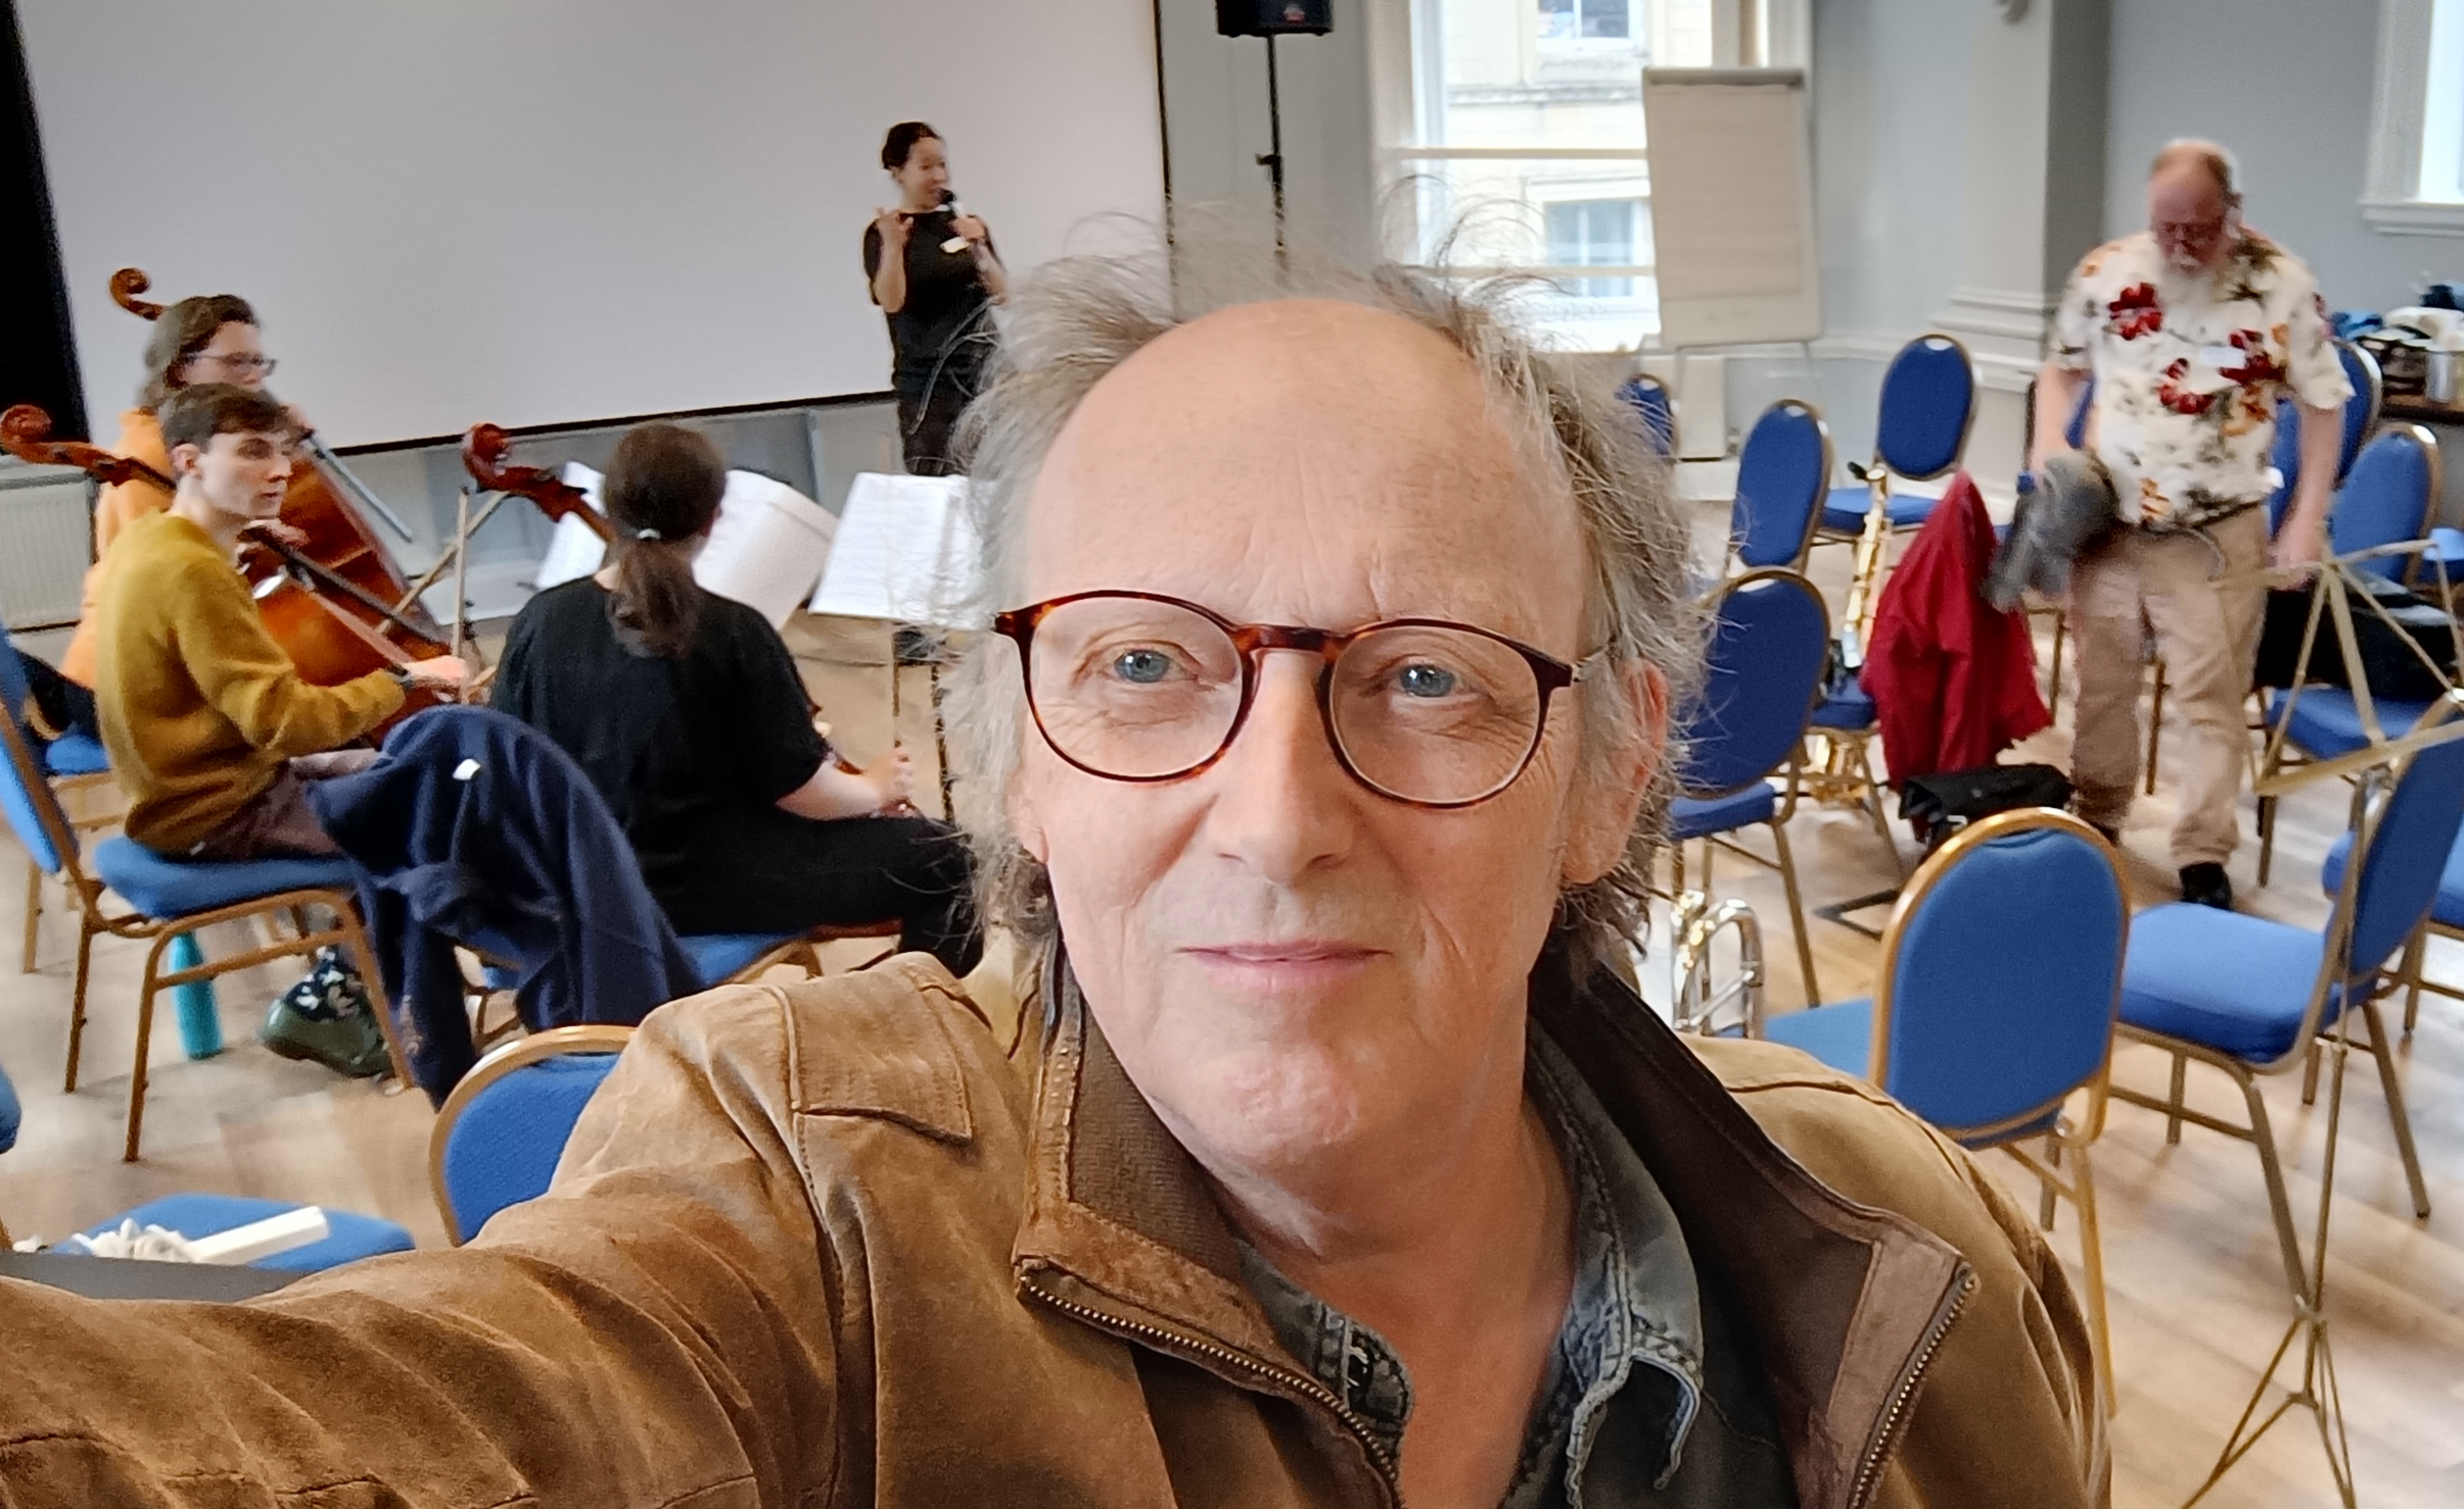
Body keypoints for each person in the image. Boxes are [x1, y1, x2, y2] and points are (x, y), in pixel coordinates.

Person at [0, 243, 2103, 1505]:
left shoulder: (1909, 1256)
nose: (1277, 816)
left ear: (1613, 773)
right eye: (1143, 664)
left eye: (1432, 679)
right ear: (1012, 770)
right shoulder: (812, 1227)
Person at [490, 422, 982, 976]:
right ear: (714, 518)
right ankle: (914, 1031)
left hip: (580, 881)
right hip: (698, 888)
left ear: (612, 507)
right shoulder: (731, 628)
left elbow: (511, 757)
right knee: (950, 858)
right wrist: (873, 786)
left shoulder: (540, 620)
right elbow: (799, 791)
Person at [92, 382, 470, 1072]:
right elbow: (286, 722)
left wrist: (240, 537)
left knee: (412, 780)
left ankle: (360, 986)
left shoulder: (152, 537)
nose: (278, 472)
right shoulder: (193, 572)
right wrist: (405, 681)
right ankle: (371, 1012)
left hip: (200, 791)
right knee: (431, 821)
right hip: (221, 810)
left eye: (284, 454)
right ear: (191, 460)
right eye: (252, 454)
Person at [2030, 137, 2350, 910]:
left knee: (2212, 700)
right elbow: (2062, 366)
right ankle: (2098, 816)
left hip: (2217, 527)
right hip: (2110, 520)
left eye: (2198, 229)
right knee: (2102, 685)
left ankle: (2204, 853)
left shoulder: (2282, 285)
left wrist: (2306, 518)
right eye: (2165, 227)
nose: (2179, 244)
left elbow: (2324, 404)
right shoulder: (2109, 270)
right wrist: (2049, 438)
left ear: (2232, 212)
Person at [25, 293, 281, 733]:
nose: (255, 378)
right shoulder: (145, 459)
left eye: (260, 363)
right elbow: (153, 585)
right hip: (124, 687)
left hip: (175, 669)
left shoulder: (206, 444)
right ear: (182, 369)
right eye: (237, 363)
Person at [865, 120, 1007, 475]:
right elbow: (892, 301)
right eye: (926, 166)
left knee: (1000, 486)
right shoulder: (886, 233)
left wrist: (980, 248)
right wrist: (895, 247)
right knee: (939, 493)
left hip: (986, 379)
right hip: (930, 391)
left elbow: (1004, 295)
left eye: (942, 165)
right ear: (898, 171)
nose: (939, 176)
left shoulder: (967, 224)